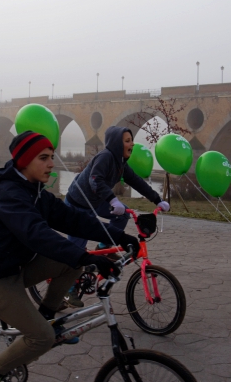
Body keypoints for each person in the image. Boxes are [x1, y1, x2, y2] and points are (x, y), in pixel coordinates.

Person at [0, 131, 140, 382]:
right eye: (43, 158)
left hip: (15, 269)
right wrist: (87, 255)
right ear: (24, 162)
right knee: (42, 339)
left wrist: (117, 236)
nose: (51, 163)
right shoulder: (10, 195)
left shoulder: (35, 191)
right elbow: (37, 234)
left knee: (72, 264)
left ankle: (47, 315)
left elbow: (72, 219)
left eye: (51, 157)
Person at [63, 125, 169, 306]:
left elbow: (136, 181)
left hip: (95, 203)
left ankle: (103, 247)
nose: (132, 144)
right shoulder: (105, 157)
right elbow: (95, 180)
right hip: (78, 204)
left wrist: (157, 199)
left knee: (122, 216)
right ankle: (68, 290)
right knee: (76, 252)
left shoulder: (121, 163)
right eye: (127, 141)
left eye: (131, 140)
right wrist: (113, 200)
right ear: (117, 144)